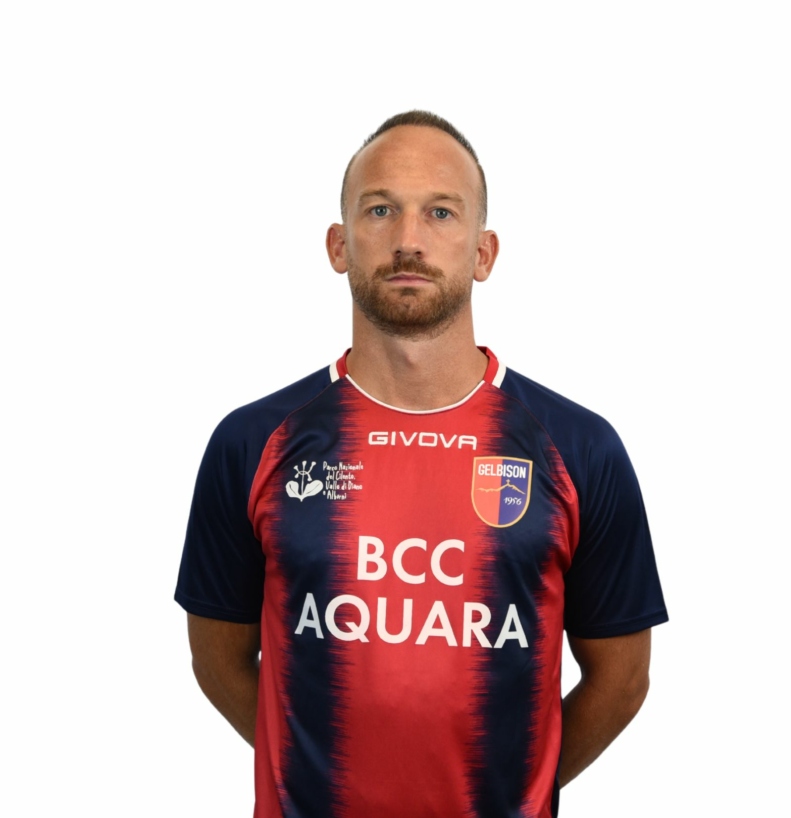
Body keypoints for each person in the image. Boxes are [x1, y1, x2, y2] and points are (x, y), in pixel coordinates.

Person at [175, 110, 668, 818]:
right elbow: (217, 660)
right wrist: (309, 773)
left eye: (441, 212)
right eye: (380, 210)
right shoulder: (253, 443)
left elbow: (621, 681)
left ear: (484, 253)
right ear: (338, 245)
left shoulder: (579, 449)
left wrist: (515, 789)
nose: (409, 239)